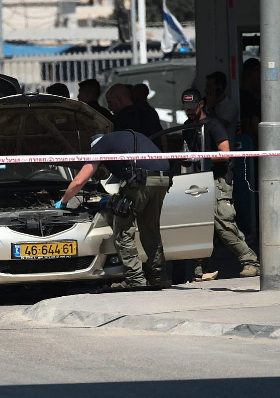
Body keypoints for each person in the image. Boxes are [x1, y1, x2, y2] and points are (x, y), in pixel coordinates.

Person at [55, 131, 170, 288]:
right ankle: (158, 277)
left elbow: (79, 180)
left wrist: (63, 201)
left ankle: (136, 280)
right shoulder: (124, 139)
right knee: (151, 230)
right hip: (163, 179)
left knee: (123, 232)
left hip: (141, 181)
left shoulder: (101, 145)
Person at [181, 87, 261, 278]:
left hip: (218, 179)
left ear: (201, 104)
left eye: (193, 107)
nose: (189, 111)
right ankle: (203, 268)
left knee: (222, 222)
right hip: (198, 179)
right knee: (199, 223)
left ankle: (250, 261)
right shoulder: (187, 125)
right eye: (186, 108)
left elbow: (224, 152)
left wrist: (200, 158)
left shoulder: (213, 124)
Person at [106, 84, 164, 151]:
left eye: (109, 102)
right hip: (155, 158)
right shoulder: (150, 113)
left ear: (118, 100)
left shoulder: (117, 120)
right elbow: (163, 140)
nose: (109, 107)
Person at [205, 71, 239, 146]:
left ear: (219, 89)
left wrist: (212, 108)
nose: (205, 90)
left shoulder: (230, 107)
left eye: (209, 86)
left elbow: (218, 127)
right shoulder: (205, 103)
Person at [239, 59, 261, 149]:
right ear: (250, 75)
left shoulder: (252, 96)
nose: (261, 81)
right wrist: (257, 146)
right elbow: (248, 125)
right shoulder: (246, 98)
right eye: (259, 77)